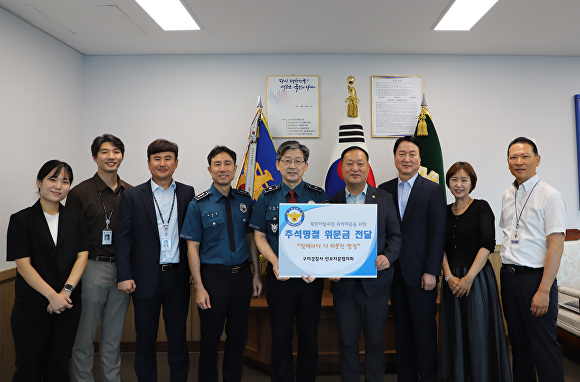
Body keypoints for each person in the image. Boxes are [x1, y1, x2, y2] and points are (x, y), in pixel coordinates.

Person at [180, 146, 263, 382]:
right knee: (210, 339)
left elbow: (251, 239)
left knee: (238, 338)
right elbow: (192, 248)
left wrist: (256, 274)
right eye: (217, 164)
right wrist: (199, 287)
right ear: (209, 169)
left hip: (241, 277)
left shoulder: (245, 201)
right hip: (213, 278)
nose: (223, 169)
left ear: (236, 168)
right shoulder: (198, 204)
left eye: (228, 164)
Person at [115, 139, 194, 382]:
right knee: (145, 338)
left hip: (178, 278)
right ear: (148, 164)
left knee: (178, 337)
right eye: (157, 159)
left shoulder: (187, 192)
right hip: (144, 278)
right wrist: (124, 274)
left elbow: (193, 235)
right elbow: (123, 239)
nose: (162, 163)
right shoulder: (132, 196)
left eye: (168, 158)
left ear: (176, 163)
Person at [249, 140, 328, 382]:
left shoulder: (318, 195)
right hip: (279, 277)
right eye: (287, 161)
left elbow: (327, 236)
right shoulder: (267, 196)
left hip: (310, 280)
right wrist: (274, 262)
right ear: (277, 165)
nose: (292, 166)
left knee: (308, 336)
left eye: (297, 161)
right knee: (280, 337)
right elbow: (260, 236)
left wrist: (317, 266)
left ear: (305, 166)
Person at [7, 160, 89, 381]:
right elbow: (23, 265)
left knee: (59, 366)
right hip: (32, 305)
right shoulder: (21, 219)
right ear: (39, 182)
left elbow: (82, 256)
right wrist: (53, 296)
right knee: (28, 367)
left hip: (68, 304)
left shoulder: (76, 218)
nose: (58, 186)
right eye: (53, 179)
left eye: (65, 181)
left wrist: (66, 292)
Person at [329, 146, 401, 382]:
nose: (355, 168)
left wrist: (388, 257)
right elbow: (327, 243)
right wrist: (329, 268)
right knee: (347, 342)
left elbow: (395, 236)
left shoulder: (383, 198)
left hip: (376, 285)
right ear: (341, 169)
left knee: (375, 342)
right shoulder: (332, 203)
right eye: (349, 163)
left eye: (360, 163)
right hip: (345, 287)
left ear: (368, 167)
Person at [378, 136, 446, 382]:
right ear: (395, 157)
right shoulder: (383, 190)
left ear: (420, 159)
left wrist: (431, 271)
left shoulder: (433, 190)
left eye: (412, 154)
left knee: (424, 331)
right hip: (391, 273)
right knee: (401, 332)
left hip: (421, 274)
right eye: (402, 154)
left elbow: (437, 234)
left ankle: (428, 377)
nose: (407, 159)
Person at [499, 137, 566, 382]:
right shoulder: (508, 194)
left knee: (543, 347)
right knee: (518, 345)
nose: (519, 162)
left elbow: (556, 246)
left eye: (525, 156)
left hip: (536, 280)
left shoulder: (550, 196)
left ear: (537, 160)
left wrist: (544, 290)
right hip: (509, 277)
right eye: (513, 157)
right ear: (507, 162)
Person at [440, 161, 511, 382]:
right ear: (448, 183)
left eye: (464, 180)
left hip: (477, 279)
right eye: (454, 179)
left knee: (478, 333)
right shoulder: (443, 211)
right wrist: (449, 276)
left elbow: (488, 244)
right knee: (455, 334)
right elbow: (438, 246)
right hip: (451, 279)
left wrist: (468, 278)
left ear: (472, 183)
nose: (458, 184)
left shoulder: (481, 207)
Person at [69, 134, 132, 382]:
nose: (111, 156)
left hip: (123, 270)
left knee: (113, 336)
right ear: (94, 157)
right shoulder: (79, 193)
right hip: (90, 268)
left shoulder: (131, 192)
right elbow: (70, 237)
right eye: (105, 152)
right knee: (84, 335)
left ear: (122, 157)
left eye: (116, 151)